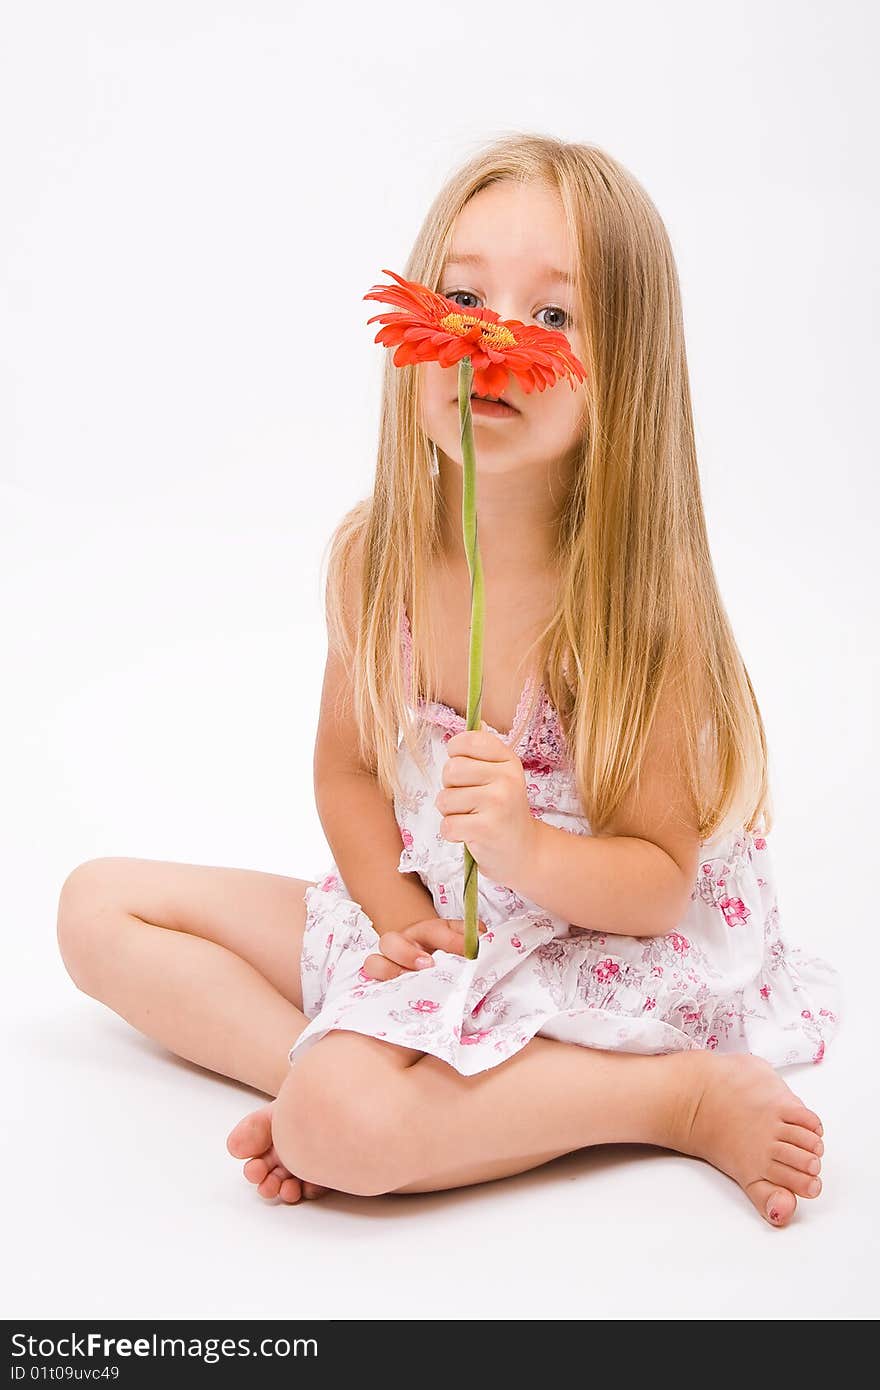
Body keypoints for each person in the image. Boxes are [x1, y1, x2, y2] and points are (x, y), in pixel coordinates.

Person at [56, 134, 842, 1228]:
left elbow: (660, 879)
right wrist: (394, 912)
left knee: (341, 1120)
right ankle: (344, 1094)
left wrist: (524, 849)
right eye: (461, 299)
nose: (491, 340)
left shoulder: (635, 611)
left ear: (630, 371)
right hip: (436, 919)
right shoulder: (374, 561)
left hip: (586, 942)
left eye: (554, 317)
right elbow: (344, 775)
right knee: (96, 907)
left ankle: (663, 1098)